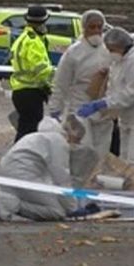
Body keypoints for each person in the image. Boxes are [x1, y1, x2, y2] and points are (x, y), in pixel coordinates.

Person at [76, 27, 134, 168]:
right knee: (125, 162)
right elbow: (114, 91)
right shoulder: (118, 63)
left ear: (120, 46)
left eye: (111, 49)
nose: (110, 53)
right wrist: (102, 110)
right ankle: (131, 183)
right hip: (127, 118)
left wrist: (102, 104)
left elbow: (129, 95)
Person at [0, 117, 100, 222]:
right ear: (72, 133)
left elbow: (50, 179)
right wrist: (73, 208)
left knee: (46, 203)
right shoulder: (58, 141)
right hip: (23, 174)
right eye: (78, 139)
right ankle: (5, 203)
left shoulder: (39, 137)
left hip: (11, 171)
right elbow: (61, 178)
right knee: (56, 212)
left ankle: (7, 201)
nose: (76, 144)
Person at [48, 9, 113, 158]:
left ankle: (96, 173)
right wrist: (55, 109)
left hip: (103, 107)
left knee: (101, 151)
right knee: (82, 150)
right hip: (79, 106)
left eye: (99, 27)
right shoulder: (73, 53)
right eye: (92, 27)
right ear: (84, 28)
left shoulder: (108, 49)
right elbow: (61, 82)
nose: (96, 31)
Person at [8, 5, 54, 143]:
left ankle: (19, 153)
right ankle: (21, 154)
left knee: (25, 128)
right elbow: (41, 70)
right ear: (43, 22)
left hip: (21, 91)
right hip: (31, 92)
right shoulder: (34, 42)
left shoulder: (23, 38)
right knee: (29, 131)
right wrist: (56, 80)